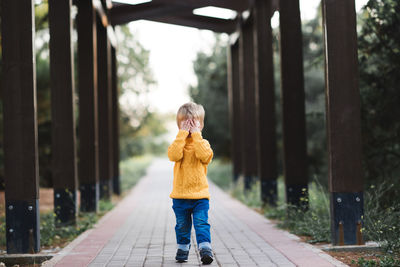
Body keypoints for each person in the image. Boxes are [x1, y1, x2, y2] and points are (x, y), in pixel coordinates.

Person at [167, 102, 214, 264]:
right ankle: (183, 248)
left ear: (201, 124)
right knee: (182, 225)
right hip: (180, 196)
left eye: (194, 122)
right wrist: (181, 135)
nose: (190, 126)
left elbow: (205, 156)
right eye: (185, 123)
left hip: (200, 195)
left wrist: (196, 135)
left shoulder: (203, 143)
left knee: (201, 223)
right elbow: (173, 156)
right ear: (178, 125)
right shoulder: (177, 144)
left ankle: (205, 248)